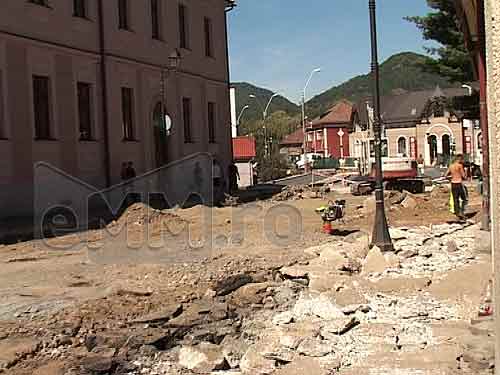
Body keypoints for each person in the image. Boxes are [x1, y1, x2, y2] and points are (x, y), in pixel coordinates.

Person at [446, 154, 467, 220]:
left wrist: (450, 178)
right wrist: (465, 171)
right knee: (464, 199)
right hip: (459, 183)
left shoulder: (451, 166)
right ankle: (462, 212)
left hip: (453, 183)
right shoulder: (460, 166)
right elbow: (464, 176)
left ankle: (457, 213)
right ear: (459, 159)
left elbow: (445, 175)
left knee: (455, 199)